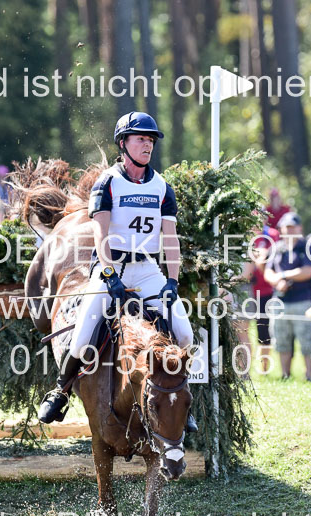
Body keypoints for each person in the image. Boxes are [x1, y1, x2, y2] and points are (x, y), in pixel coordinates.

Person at [38, 112, 195, 429]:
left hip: (149, 270)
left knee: (185, 334)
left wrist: (173, 282)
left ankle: (181, 403)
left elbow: (170, 238)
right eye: (141, 139)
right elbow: (101, 234)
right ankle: (60, 390)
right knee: (82, 339)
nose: (147, 145)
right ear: (123, 144)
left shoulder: (163, 187)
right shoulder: (108, 182)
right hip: (112, 268)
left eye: (150, 140)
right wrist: (109, 275)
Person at [264, 212, 311, 381]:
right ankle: (285, 375)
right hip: (280, 301)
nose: (289, 230)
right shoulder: (276, 248)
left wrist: (284, 276)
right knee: (281, 340)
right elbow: (268, 271)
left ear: (299, 228)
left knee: (307, 340)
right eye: (286, 227)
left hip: (302, 301)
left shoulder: (307, 246)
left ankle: (308, 375)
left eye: (292, 226)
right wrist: (277, 282)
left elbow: (308, 271)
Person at [242, 230, 275, 374]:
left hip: (265, 291)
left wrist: (260, 257)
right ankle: (245, 368)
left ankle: (264, 368)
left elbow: (268, 262)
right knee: (244, 330)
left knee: (264, 331)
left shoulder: (271, 235)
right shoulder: (242, 236)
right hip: (246, 291)